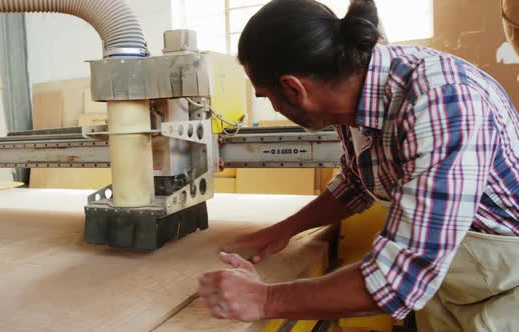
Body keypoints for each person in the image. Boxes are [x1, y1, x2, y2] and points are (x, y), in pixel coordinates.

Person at [197, 0, 519, 330]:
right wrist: (282, 231)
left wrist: (264, 299)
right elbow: (356, 184)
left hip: (508, 286)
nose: (276, 109)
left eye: (267, 98)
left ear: (294, 89)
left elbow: (400, 278)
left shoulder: (443, 102)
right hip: (455, 278)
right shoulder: (353, 95)